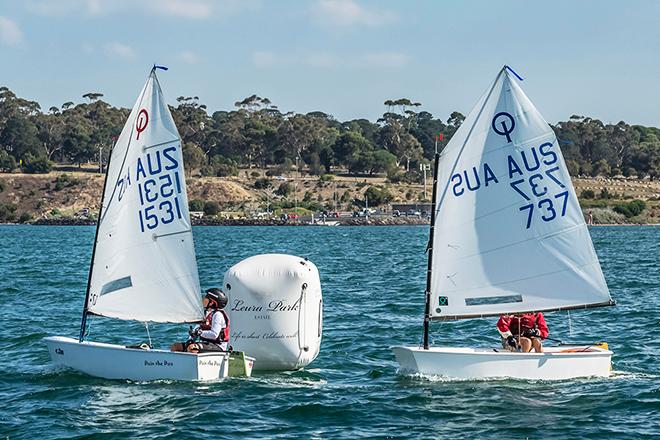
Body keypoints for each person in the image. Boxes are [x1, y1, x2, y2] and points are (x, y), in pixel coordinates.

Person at [170, 288, 230, 353]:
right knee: (175, 346)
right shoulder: (205, 314)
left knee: (192, 348)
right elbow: (197, 329)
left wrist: (200, 333)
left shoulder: (217, 315)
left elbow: (214, 335)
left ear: (211, 302)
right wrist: (191, 338)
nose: (203, 299)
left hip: (218, 346)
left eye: (206, 297)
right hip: (206, 344)